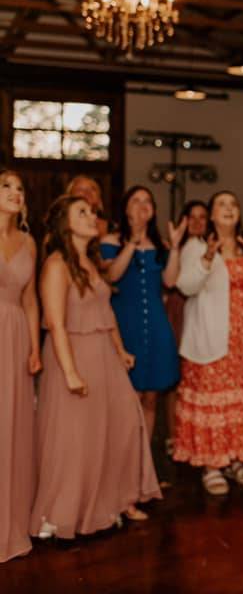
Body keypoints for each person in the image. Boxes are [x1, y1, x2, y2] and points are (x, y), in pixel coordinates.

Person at [31, 195, 160, 540]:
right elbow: (56, 324)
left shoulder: (92, 263)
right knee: (75, 439)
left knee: (119, 428)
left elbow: (107, 312)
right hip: (74, 356)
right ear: (64, 223)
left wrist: (120, 350)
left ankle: (106, 503)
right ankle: (60, 514)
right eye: (82, 212)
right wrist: (70, 372)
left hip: (105, 356)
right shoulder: (56, 265)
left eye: (92, 212)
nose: (92, 217)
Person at [175, 191, 243, 496]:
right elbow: (185, 286)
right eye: (221, 204)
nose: (228, 209)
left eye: (233, 204)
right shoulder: (197, 247)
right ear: (211, 214)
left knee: (241, 404)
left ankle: (235, 459)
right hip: (212, 340)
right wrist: (209, 258)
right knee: (216, 403)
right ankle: (212, 464)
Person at [101, 186, 186, 443]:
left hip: (157, 326)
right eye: (136, 200)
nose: (142, 205)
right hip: (126, 324)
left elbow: (170, 282)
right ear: (126, 208)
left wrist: (175, 248)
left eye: (147, 200)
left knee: (151, 397)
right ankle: (122, 462)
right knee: (129, 397)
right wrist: (133, 242)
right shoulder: (110, 241)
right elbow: (112, 275)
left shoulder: (160, 244)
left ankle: (144, 464)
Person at [0, 171, 40, 562]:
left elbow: (30, 299)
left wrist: (34, 347)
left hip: (15, 338)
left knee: (11, 426)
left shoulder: (29, 241)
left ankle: (9, 523)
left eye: (18, 188)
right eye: (5, 186)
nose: (14, 193)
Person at [163, 200, 208, 455]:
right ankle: (172, 435)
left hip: (202, 312)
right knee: (175, 376)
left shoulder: (211, 247)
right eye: (192, 217)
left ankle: (189, 432)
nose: (197, 222)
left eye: (202, 217)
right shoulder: (177, 247)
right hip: (179, 308)